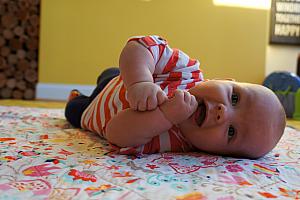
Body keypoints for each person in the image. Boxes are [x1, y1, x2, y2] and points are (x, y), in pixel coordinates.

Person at [65, 35, 286, 159]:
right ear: (226, 79)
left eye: (231, 131)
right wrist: (139, 82)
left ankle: (76, 98)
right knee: (111, 72)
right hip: (121, 80)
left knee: (72, 111)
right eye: (235, 98)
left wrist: (164, 116)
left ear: (220, 153)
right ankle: (108, 76)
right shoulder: (187, 71)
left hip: (93, 110)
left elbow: (114, 132)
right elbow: (140, 46)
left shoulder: (173, 144)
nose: (223, 112)